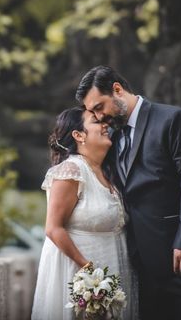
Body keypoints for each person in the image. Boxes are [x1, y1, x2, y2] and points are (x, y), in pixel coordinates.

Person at [76, 65, 181, 320]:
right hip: (142, 265)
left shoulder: (173, 120)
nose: (98, 117)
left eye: (99, 107)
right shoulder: (114, 135)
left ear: (117, 90)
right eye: (92, 112)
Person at [31, 106, 138, 320]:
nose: (105, 125)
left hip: (115, 267)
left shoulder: (111, 173)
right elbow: (53, 228)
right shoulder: (71, 170)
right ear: (79, 135)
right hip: (80, 273)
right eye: (96, 121)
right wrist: (88, 269)